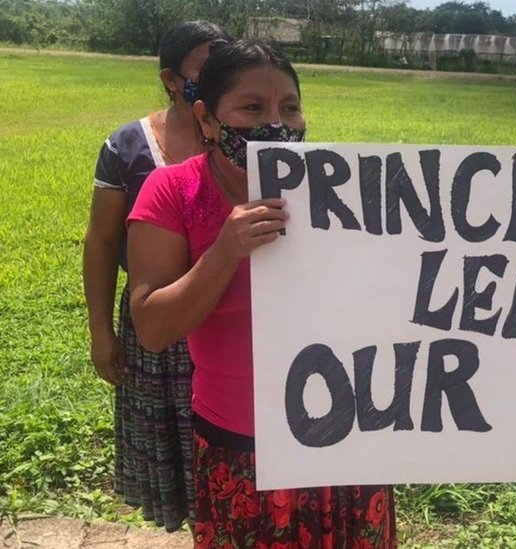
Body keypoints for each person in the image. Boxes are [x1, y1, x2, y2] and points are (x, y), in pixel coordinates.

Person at [125, 40, 397, 548]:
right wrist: (224, 252)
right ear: (207, 119)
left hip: (348, 433)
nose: (278, 123)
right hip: (240, 443)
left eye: (289, 107)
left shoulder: (342, 188)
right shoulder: (171, 193)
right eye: (253, 108)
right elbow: (153, 328)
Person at [83, 20, 231, 532]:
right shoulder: (127, 147)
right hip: (159, 327)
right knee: (178, 450)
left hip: (230, 317)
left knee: (229, 452)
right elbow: (102, 242)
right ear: (172, 80)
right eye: (205, 68)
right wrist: (101, 332)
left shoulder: (245, 142)